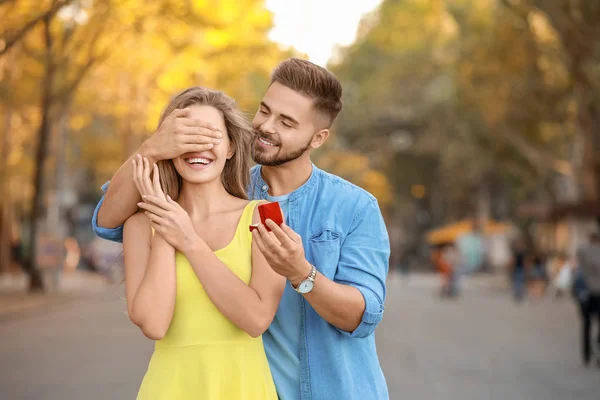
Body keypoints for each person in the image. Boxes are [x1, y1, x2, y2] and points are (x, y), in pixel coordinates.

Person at [92, 58, 390, 399]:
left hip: (330, 391)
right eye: (265, 111)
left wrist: (301, 273)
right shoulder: (222, 186)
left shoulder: (353, 207)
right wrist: (151, 149)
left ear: (318, 138)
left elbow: (363, 315)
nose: (265, 126)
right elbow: (107, 221)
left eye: (287, 122)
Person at [122, 87, 284, 398]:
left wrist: (189, 239)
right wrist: (166, 220)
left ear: (231, 148)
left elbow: (256, 319)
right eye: (187, 136)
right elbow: (154, 324)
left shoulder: (264, 216)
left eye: (210, 136)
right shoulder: (140, 226)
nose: (199, 148)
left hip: (243, 387)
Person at [575, 233, 600, 367]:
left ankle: (588, 354)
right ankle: (590, 353)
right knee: (588, 324)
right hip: (591, 293)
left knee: (587, 325)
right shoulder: (586, 251)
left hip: (587, 294)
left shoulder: (583, 252)